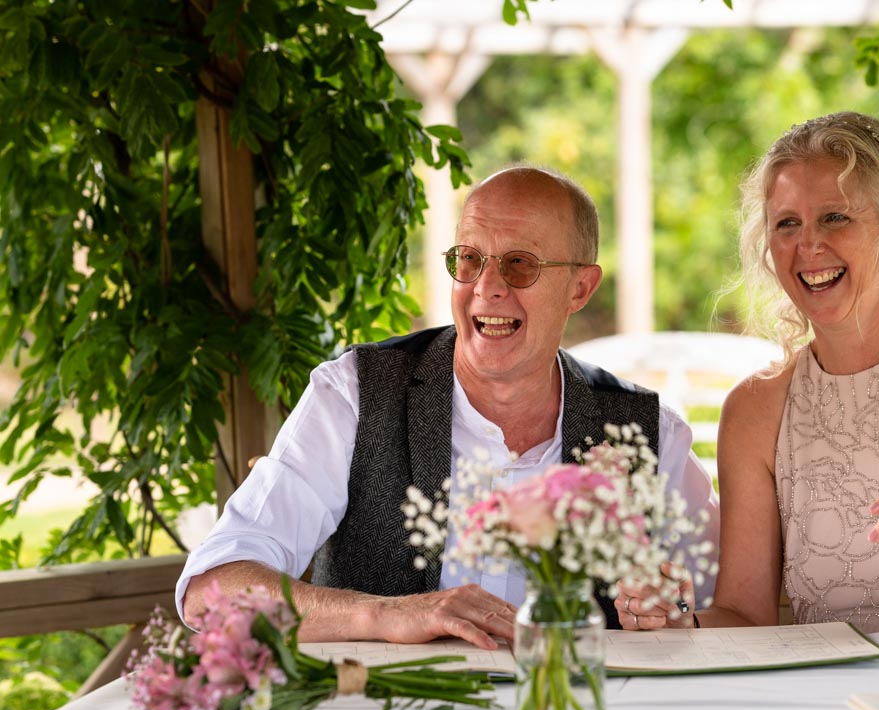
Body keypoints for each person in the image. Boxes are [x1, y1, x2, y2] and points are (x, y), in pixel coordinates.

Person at [177, 166, 719, 649]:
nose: (487, 287)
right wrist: (387, 615)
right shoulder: (355, 393)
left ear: (580, 288)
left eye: (520, 265)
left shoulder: (648, 434)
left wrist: (674, 614)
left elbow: (716, 614)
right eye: (469, 259)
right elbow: (212, 591)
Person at [622, 112, 879, 634]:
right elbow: (744, 614)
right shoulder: (754, 411)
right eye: (787, 224)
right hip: (823, 703)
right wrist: (678, 622)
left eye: (835, 218)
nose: (808, 246)